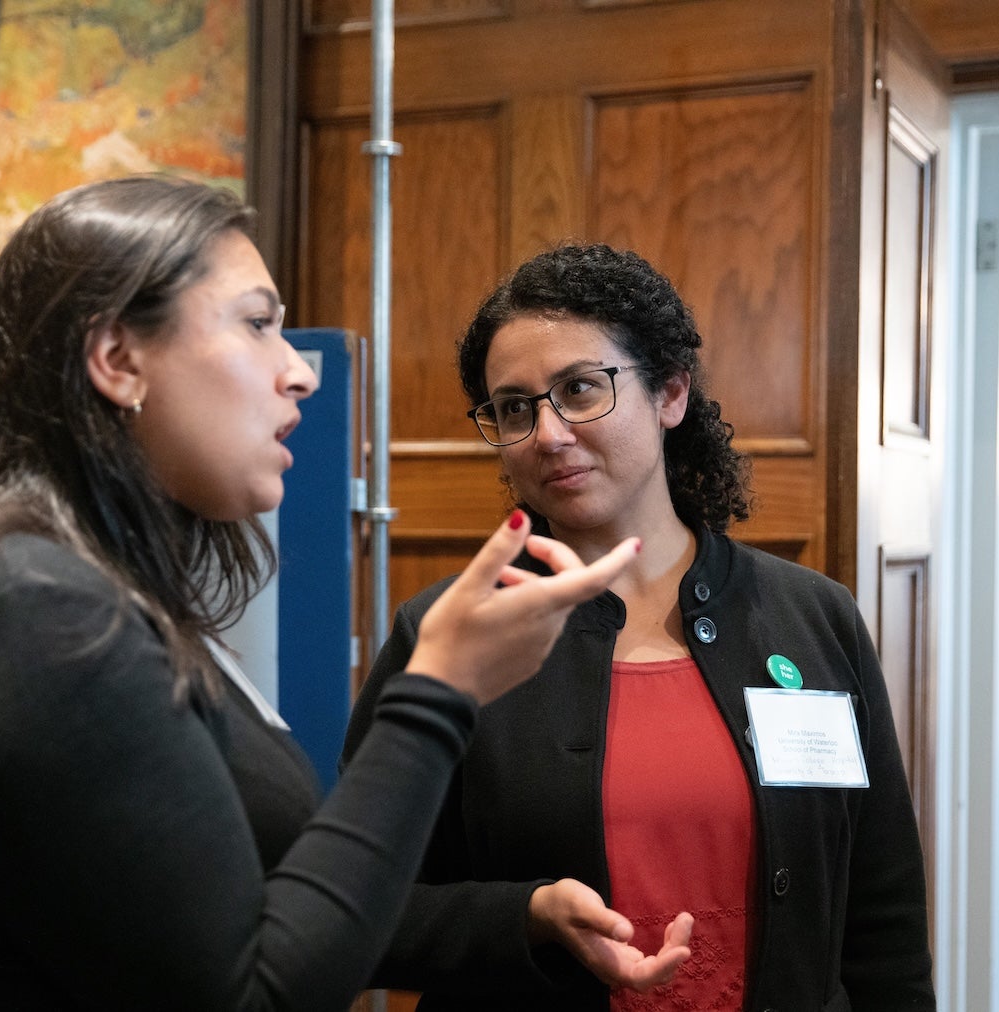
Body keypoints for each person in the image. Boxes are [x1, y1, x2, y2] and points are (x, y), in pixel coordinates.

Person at [0, 176, 655, 1010]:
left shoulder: (79, 588)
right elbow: (248, 992)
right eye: (256, 325)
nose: (298, 371)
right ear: (118, 358)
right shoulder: (27, 606)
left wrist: (520, 917)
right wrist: (438, 693)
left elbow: (270, 909)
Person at [343, 243, 936, 1010]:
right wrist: (523, 918)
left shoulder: (812, 617)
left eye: (581, 389)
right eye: (515, 407)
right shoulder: (452, 634)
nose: (549, 433)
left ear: (670, 393)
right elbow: (353, 912)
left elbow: (879, 908)